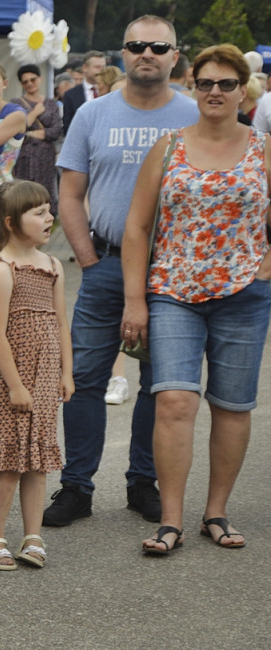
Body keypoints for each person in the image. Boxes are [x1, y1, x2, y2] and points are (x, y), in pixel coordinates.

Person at [44, 15, 199, 528]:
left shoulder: (195, 115)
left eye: (159, 46)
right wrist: (88, 258)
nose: (147, 53)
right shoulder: (92, 114)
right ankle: (76, 487)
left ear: (175, 55)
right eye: (136, 45)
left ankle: (142, 482)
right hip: (106, 263)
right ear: (122, 54)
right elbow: (69, 194)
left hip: (173, 272)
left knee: (162, 381)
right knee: (86, 379)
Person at [122, 44, 271, 555]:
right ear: (192, 85)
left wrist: (265, 265)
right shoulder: (168, 146)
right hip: (173, 293)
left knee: (231, 406)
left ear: (243, 90)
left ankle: (217, 512)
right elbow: (137, 228)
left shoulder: (264, 149)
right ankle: (170, 520)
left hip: (245, 296)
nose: (214, 92)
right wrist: (135, 301)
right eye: (205, 82)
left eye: (226, 84)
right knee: (175, 401)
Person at [0, 180, 73, 570]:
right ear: (10, 222)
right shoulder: (3, 270)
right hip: (10, 376)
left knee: (37, 460)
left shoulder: (53, 265)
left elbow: (60, 323)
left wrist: (66, 373)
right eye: (37, 212)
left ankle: (33, 537)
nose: (48, 217)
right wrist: (16, 385)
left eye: (48, 209)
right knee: (10, 462)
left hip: (45, 372)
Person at [11, 64, 61, 209]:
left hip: (46, 156)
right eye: (25, 81)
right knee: (24, 189)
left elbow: (56, 131)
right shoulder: (16, 104)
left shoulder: (51, 103)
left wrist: (31, 133)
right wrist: (35, 113)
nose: (30, 84)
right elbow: (16, 130)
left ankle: (47, 216)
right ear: (21, 84)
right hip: (24, 156)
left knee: (46, 188)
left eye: (33, 80)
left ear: (40, 79)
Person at [62, 51, 106, 135]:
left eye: (103, 67)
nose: (101, 71)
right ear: (85, 68)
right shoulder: (71, 95)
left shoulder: (111, 91)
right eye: (97, 67)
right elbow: (68, 126)